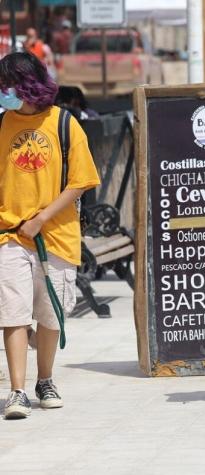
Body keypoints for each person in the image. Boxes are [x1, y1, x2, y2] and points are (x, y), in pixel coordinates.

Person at [0, 52, 100, 419]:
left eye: (6, 86)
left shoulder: (63, 123)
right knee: (13, 313)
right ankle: (16, 391)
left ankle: (45, 379)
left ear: (24, 84)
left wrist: (41, 218)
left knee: (49, 316)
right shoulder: (1, 125)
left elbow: (81, 183)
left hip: (56, 235)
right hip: (9, 236)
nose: (2, 93)